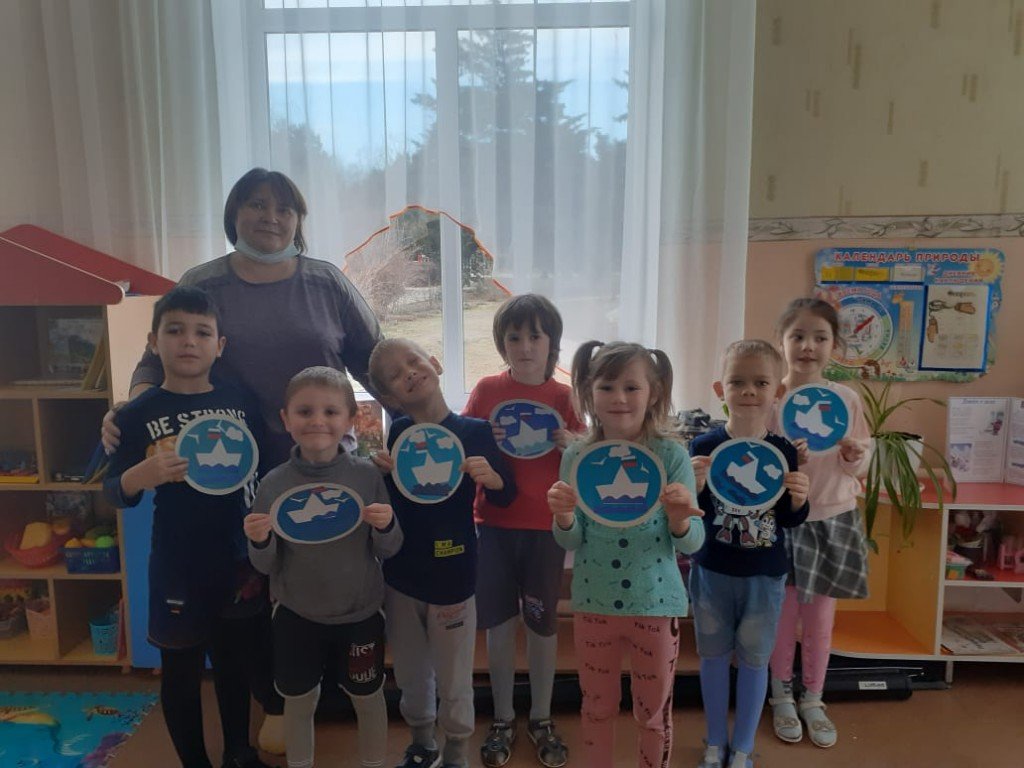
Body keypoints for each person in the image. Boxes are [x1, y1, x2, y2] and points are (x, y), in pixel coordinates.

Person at [101, 167, 384, 751]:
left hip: (325, 468)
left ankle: (321, 696)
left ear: (299, 220)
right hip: (229, 484)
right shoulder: (204, 283)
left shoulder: (327, 283)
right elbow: (158, 359)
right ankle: (276, 703)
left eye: (284, 208)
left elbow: (374, 359)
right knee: (254, 605)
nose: (270, 218)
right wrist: (130, 412)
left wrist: (419, 418)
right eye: (256, 204)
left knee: (322, 585)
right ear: (234, 214)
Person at [103, 286, 268, 768]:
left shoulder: (241, 400)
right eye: (175, 330)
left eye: (202, 332)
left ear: (220, 345)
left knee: (234, 664)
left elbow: (263, 467)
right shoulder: (136, 414)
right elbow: (112, 490)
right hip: (178, 562)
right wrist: (139, 476)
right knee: (180, 669)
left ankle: (240, 753)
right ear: (154, 342)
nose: (189, 341)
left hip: (239, 558)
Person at [546, 341, 705, 768]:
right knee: (596, 708)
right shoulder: (577, 456)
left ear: (653, 393)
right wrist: (563, 516)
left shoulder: (671, 455)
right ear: (588, 391)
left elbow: (693, 542)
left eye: (631, 387)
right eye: (607, 386)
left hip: (656, 605)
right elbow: (570, 541)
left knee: (652, 715)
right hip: (593, 605)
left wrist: (680, 520)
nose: (619, 397)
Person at [243, 366, 402, 768]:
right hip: (297, 616)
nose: (317, 421)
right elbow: (264, 564)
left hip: (361, 614)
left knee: (368, 697)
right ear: (286, 419)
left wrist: (387, 525)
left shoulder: (367, 475)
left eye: (331, 412)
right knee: (299, 701)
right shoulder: (273, 484)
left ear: (350, 419)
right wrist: (259, 540)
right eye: (305, 411)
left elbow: (390, 548)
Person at [367, 338, 516, 768]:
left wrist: (493, 479)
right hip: (401, 576)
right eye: (396, 375)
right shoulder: (398, 433)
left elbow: (505, 496)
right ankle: (422, 743)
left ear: (434, 362)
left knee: (454, 679)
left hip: (454, 578)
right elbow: (399, 502)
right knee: (411, 674)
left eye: (414, 361)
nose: (409, 372)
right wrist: (384, 473)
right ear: (390, 396)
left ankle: (456, 749)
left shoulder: (477, 432)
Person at [462, 294, 582, 768]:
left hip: (546, 529)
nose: (525, 346)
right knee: (497, 623)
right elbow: (464, 445)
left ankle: (542, 717)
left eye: (535, 336)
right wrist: (479, 439)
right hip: (493, 525)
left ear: (552, 343)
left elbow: (587, 455)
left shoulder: (565, 398)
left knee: (541, 622)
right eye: (515, 337)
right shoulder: (487, 389)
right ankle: (502, 718)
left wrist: (574, 444)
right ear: (502, 344)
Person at [688, 340, 810, 768]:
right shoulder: (703, 446)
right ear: (720, 389)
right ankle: (714, 743)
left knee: (756, 661)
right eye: (737, 381)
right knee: (713, 656)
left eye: (761, 382)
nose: (749, 391)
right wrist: (693, 489)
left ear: (778, 391)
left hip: (764, 574)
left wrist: (799, 500)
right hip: (712, 570)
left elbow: (789, 520)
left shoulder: (784, 451)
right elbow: (693, 515)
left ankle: (741, 749)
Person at [767, 298, 871, 749]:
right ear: (781, 342)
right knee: (780, 614)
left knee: (820, 619)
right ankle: (780, 695)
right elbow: (758, 458)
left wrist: (854, 456)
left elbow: (860, 460)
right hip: (782, 521)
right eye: (798, 336)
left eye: (820, 337)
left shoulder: (846, 399)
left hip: (832, 518)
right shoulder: (770, 397)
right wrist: (786, 458)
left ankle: (813, 697)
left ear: (834, 346)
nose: (808, 346)